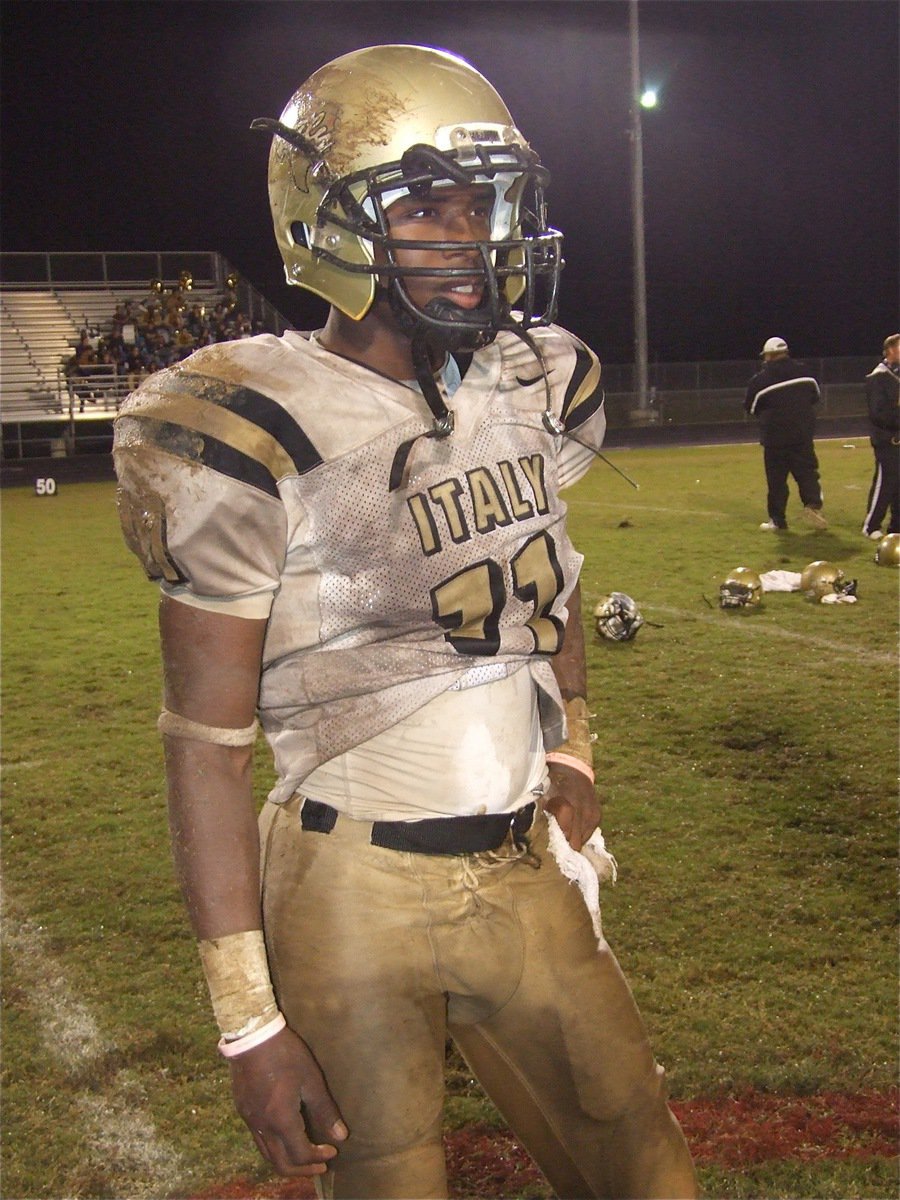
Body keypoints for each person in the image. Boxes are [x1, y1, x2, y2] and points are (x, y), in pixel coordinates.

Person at [113, 44, 697, 1200]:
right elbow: (204, 743)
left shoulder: (534, 380)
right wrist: (245, 1022)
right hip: (351, 884)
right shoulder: (242, 423)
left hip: (523, 860)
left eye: (481, 208)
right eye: (429, 208)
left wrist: (571, 733)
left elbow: (553, 573)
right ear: (326, 223)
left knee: (646, 1169)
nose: (472, 239)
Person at [744, 336, 827, 530]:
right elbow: (815, 397)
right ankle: (813, 504)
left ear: (769, 356)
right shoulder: (805, 371)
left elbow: (751, 407)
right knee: (807, 473)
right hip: (802, 433)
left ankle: (778, 520)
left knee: (777, 482)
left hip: (775, 438)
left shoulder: (760, 380)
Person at [861, 333, 899, 539]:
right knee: (885, 483)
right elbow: (879, 413)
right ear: (891, 350)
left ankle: (896, 527)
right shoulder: (878, 377)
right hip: (887, 439)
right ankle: (871, 526)